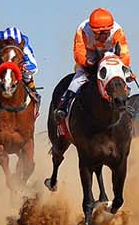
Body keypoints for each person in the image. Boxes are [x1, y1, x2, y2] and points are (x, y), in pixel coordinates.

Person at [53, 7, 133, 136]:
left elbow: (124, 54)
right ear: (92, 30)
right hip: (90, 57)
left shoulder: (118, 30)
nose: (102, 36)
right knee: (78, 79)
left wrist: (123, 68)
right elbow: (79, 54)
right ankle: (64, 106)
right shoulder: (82, 30)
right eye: (98, 33)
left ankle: (126, 104)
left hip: (111, 56)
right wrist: (91, 64)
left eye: (106, 33)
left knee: (123, 77)